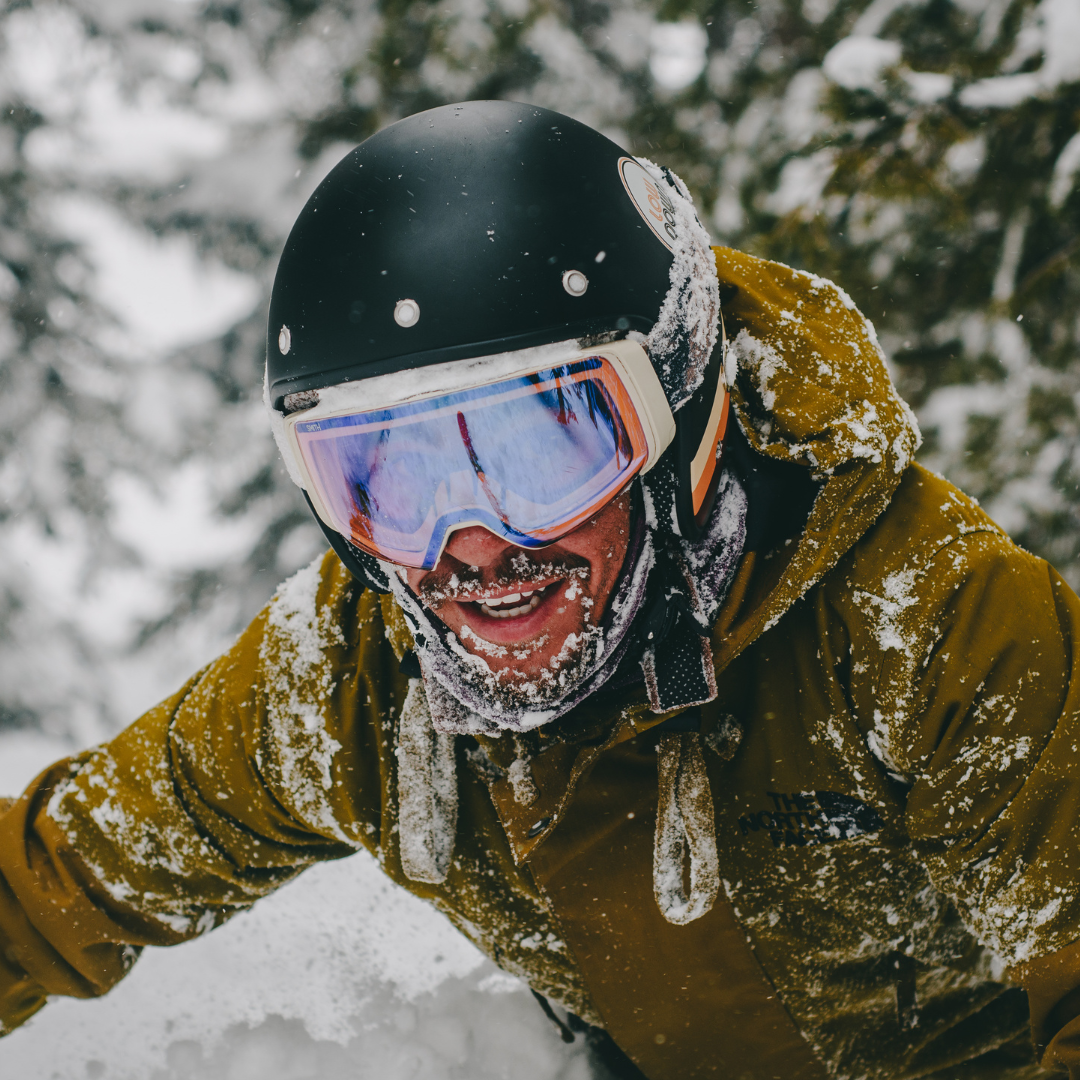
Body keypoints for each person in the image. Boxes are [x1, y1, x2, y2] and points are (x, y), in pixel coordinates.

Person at [0, 99, 1079, 1080]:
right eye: (389, 477)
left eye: (541, 448)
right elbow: (59, 878)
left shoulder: (926, 624)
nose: (470, 549)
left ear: (680, 423)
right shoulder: (355, 676)